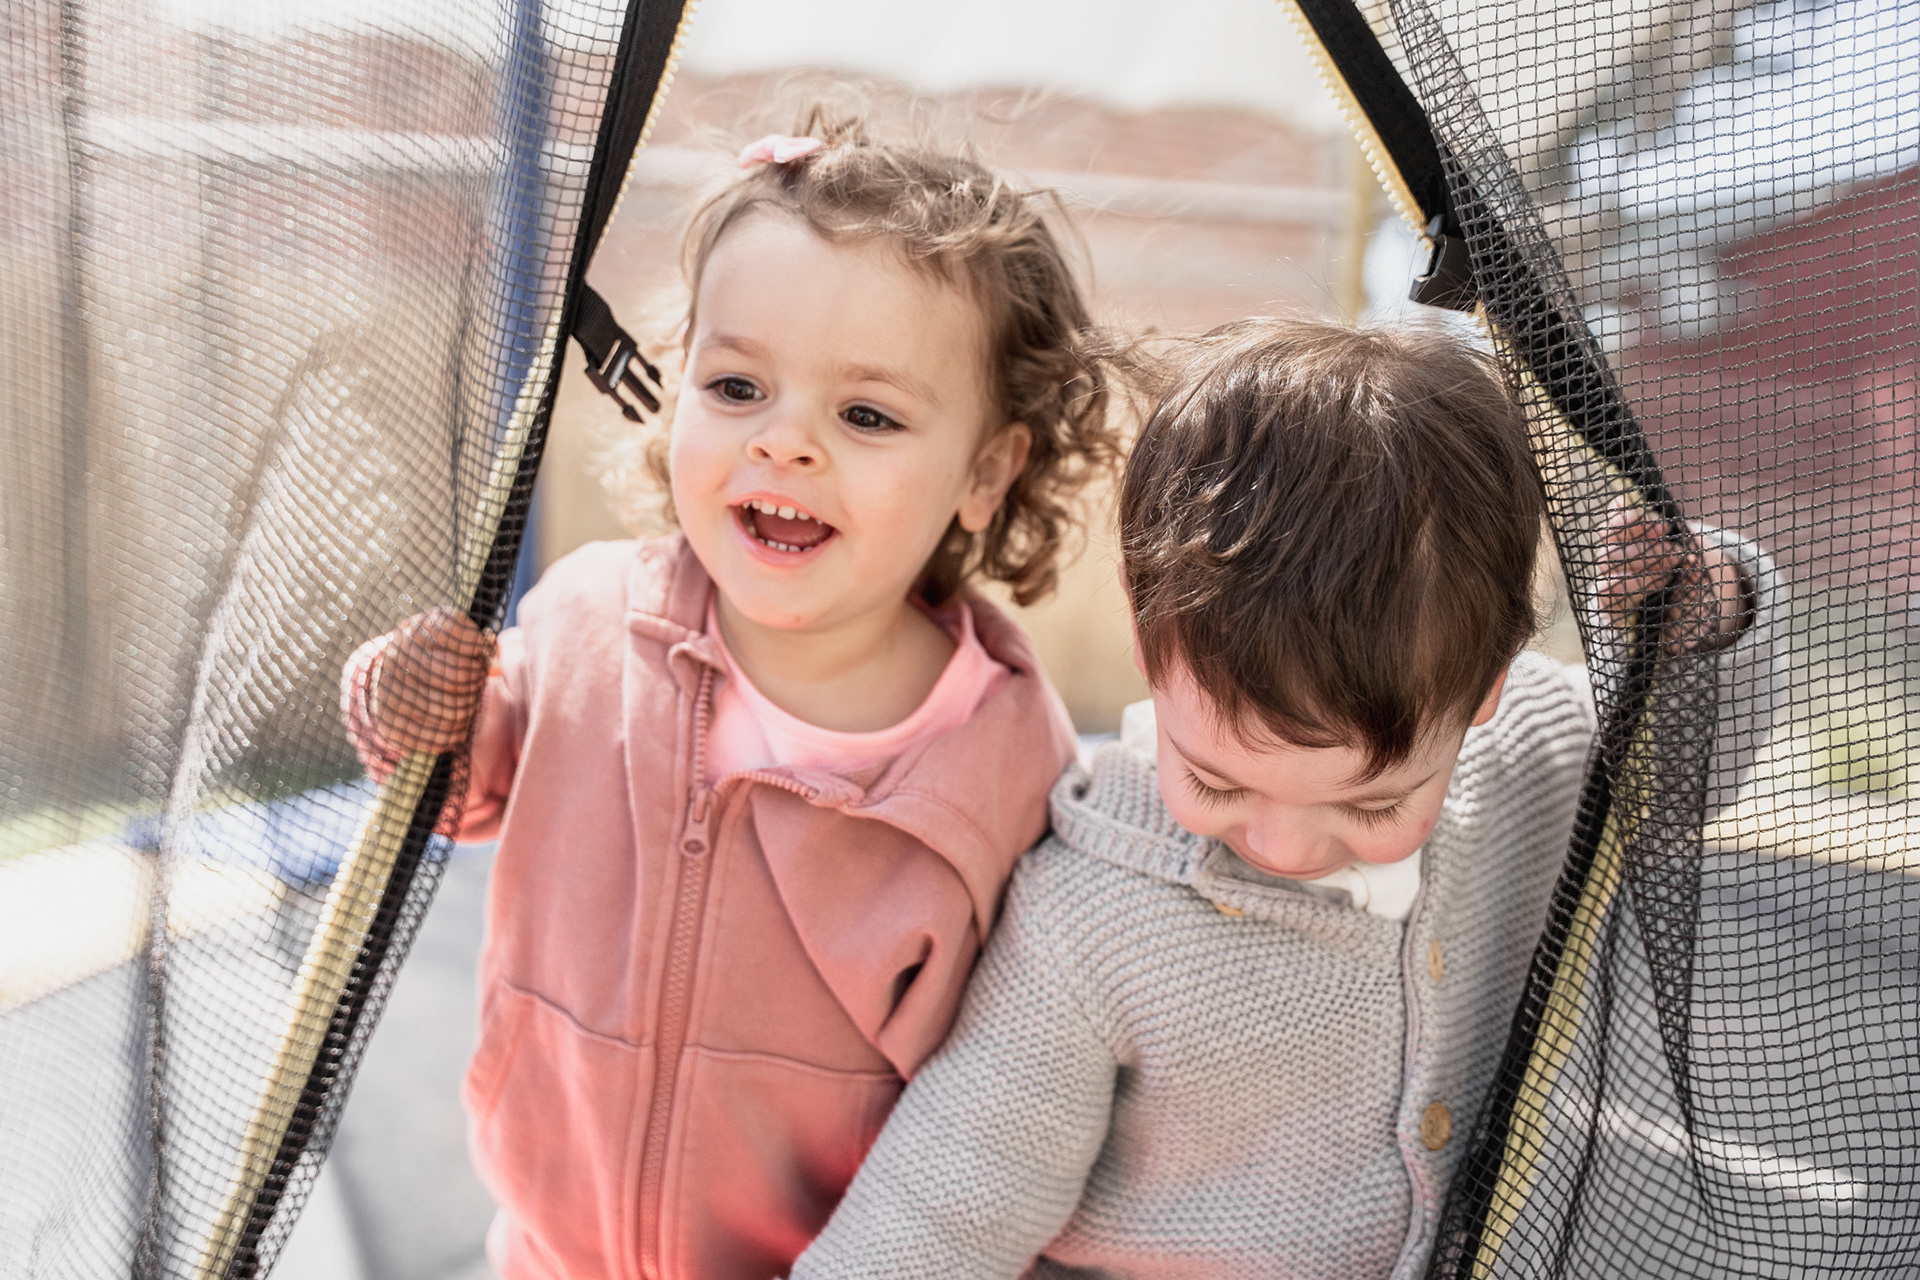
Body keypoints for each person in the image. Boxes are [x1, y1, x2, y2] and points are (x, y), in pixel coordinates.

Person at [789, 319, 1782, 1280]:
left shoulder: (1525, 755)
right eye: (1217, 779)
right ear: (1150, 657)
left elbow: (1686, 768)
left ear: (1482, 696)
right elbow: (949, 1197)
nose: (1283, 841)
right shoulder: (1091, 913)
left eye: (1368, 805)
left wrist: (1708, 622)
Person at [341, 107, 1129, 1280]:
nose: (786, 442)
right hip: (553, 1253)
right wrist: (412, 705)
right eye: (737, 384)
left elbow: (1007, 1093)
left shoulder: (1000, 758)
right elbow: (459, 785)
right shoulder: (589, 621)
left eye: (865, 413)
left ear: (983, 471)